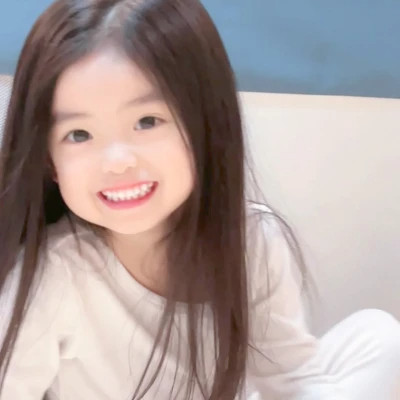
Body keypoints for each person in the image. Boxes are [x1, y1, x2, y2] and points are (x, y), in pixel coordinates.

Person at [1, 1, 400, 399]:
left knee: (379, 337)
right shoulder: (53, 276)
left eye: (147, 122)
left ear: (206, 126)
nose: (118, 162)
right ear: (48, 160)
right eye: (79, 135)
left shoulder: (251, 239)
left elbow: (289, 377)